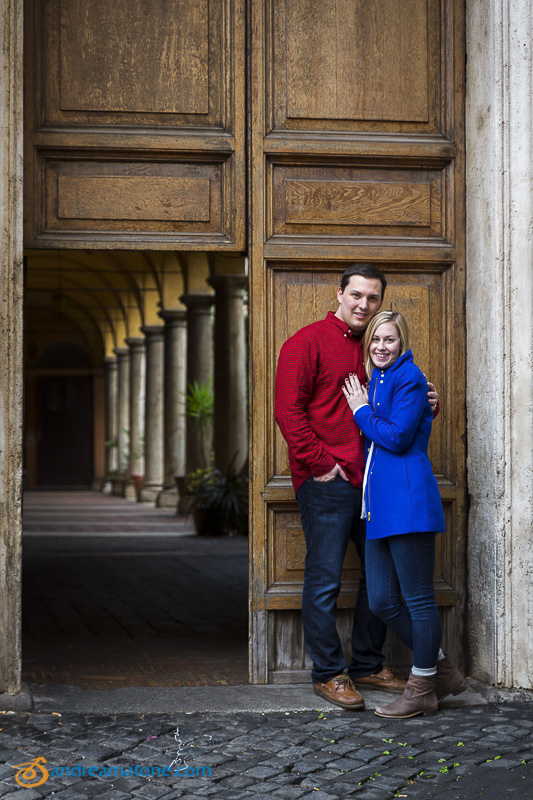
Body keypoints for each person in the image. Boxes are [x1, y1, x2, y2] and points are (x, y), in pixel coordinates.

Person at [274, 264, 438, 710]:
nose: (364, 305)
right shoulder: (305, 342)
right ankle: (329, 673)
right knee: (325, 578)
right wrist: (321, 463)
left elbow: (396, 412)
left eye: (373, 298)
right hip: (327, 480)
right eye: (357, 295)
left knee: (376, 581)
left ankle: (367, 663)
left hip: (375, 484)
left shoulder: (376, 348)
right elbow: (288, 411)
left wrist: (427, 403)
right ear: (340, 294)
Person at [342, 310, 465, 718]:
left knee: (418, 600)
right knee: (381, 600)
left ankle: (421, 688)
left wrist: (360, 411)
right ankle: (442, 670)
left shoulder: (410, 378)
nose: (381, 347)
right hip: (379, 509)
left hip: (409, 503)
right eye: (375, 339)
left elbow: (395, 437)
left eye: (389, 340)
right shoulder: (377, 379)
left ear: (402, 342)